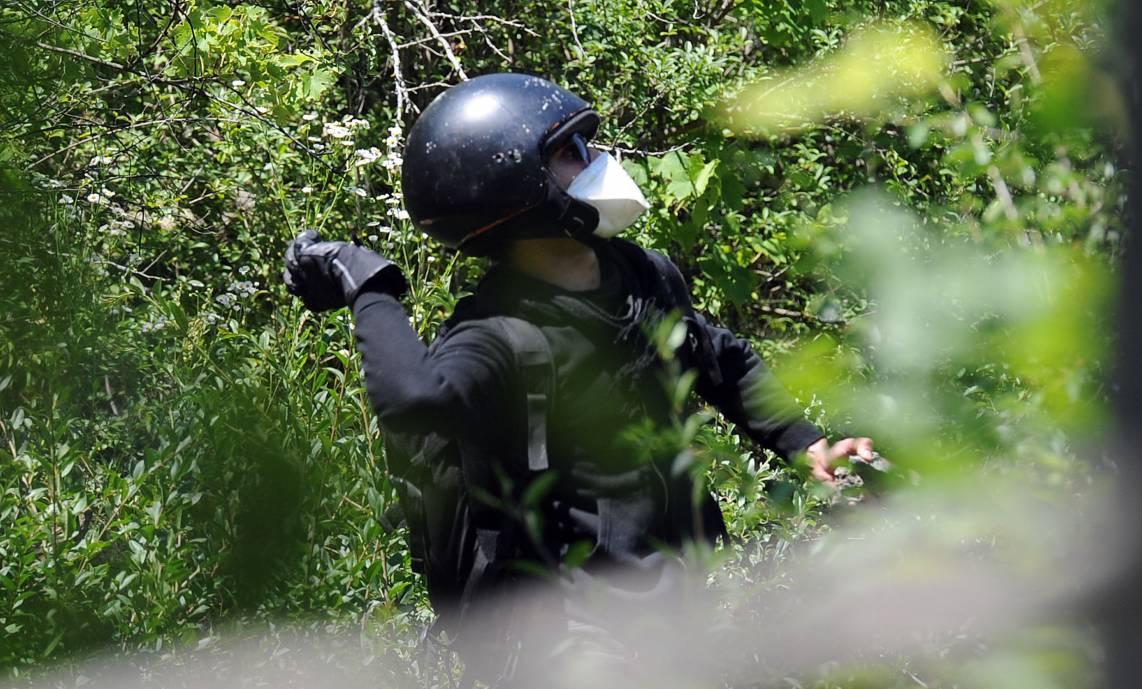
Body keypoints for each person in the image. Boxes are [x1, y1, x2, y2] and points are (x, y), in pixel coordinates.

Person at [283, 73, 876, 685]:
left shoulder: (644, 276)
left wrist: (806, 443)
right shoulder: (497, 332)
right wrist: (369, 285)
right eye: (570, 152)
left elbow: (722, 360)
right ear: (512, 188)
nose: (597, 161)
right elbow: (412, 398)